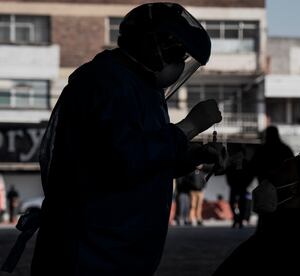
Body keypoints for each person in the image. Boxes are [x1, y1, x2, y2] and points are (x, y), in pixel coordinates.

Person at [26, 3, 222, 276]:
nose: (179, 65)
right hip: (89, 250)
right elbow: (121, 159)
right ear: (150, 44)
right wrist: (189, 126)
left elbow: (146, 163)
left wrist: (191, 157)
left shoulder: (146, 87)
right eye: (176, 54)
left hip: (120, 251)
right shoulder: (103, 81)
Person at [212, 146, 300, 276]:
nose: (271, 173)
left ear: (297, 188)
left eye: (284, 170)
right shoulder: (283, 234)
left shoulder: (289, 248)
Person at [249, 125, 294, 229]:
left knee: (265, 214)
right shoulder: (285, 149)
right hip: (282, 190)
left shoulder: (262, 150)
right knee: (280, 214)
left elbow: (253, 167)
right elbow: (292, 169)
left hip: (265, 188)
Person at [225, 144, 254, 228]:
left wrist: (246, 184)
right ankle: (235, 219)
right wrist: (230, 184)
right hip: (233, 186)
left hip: (242, 186)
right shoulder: (232, 164)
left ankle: (240, 221)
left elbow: (250, 175)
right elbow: (228, 174)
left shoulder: (247, 164)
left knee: (242, 204)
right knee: (231, 202)